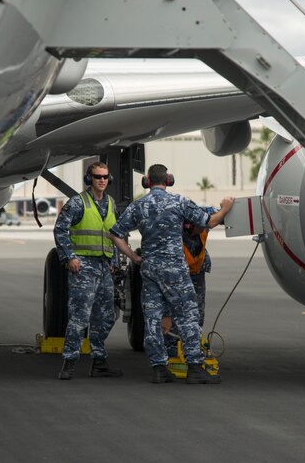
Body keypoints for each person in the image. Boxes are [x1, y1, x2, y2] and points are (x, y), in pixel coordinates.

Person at [109, 164, 234, 384]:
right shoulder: (179, 202)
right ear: (168, 180)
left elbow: (115, 234)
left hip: (150, 268)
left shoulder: (139, 206)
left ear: (147, 181)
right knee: (188, 315)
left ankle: (159, 368)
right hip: (174, 269)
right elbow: (210, 222)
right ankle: (194, 367)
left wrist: (134, 257)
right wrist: (225, 208)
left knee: (153, 318)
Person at [53, 161, 123, 380]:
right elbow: (60, 230)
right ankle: (69, 362)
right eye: (97, 177)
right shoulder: (77, 203)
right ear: (89, 179)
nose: (102, 180)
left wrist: (115, 260)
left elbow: (115, 234)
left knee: (107, 315)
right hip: (83, 267)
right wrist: (70, 257)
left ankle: (99, 361)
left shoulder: (111, 203)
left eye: (105, 177)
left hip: (104, 267)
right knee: (79, 317)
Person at [162, 217, 213, 357]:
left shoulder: (202, 228)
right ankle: (172, 348)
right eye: (199, 226)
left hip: (197, 273)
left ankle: (193, 346)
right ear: (188, 226)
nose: (203, 229)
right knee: (175, 311)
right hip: (177, 274)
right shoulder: (174, 235)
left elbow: (213, 219)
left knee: (197, 313)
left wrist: (225, 207)